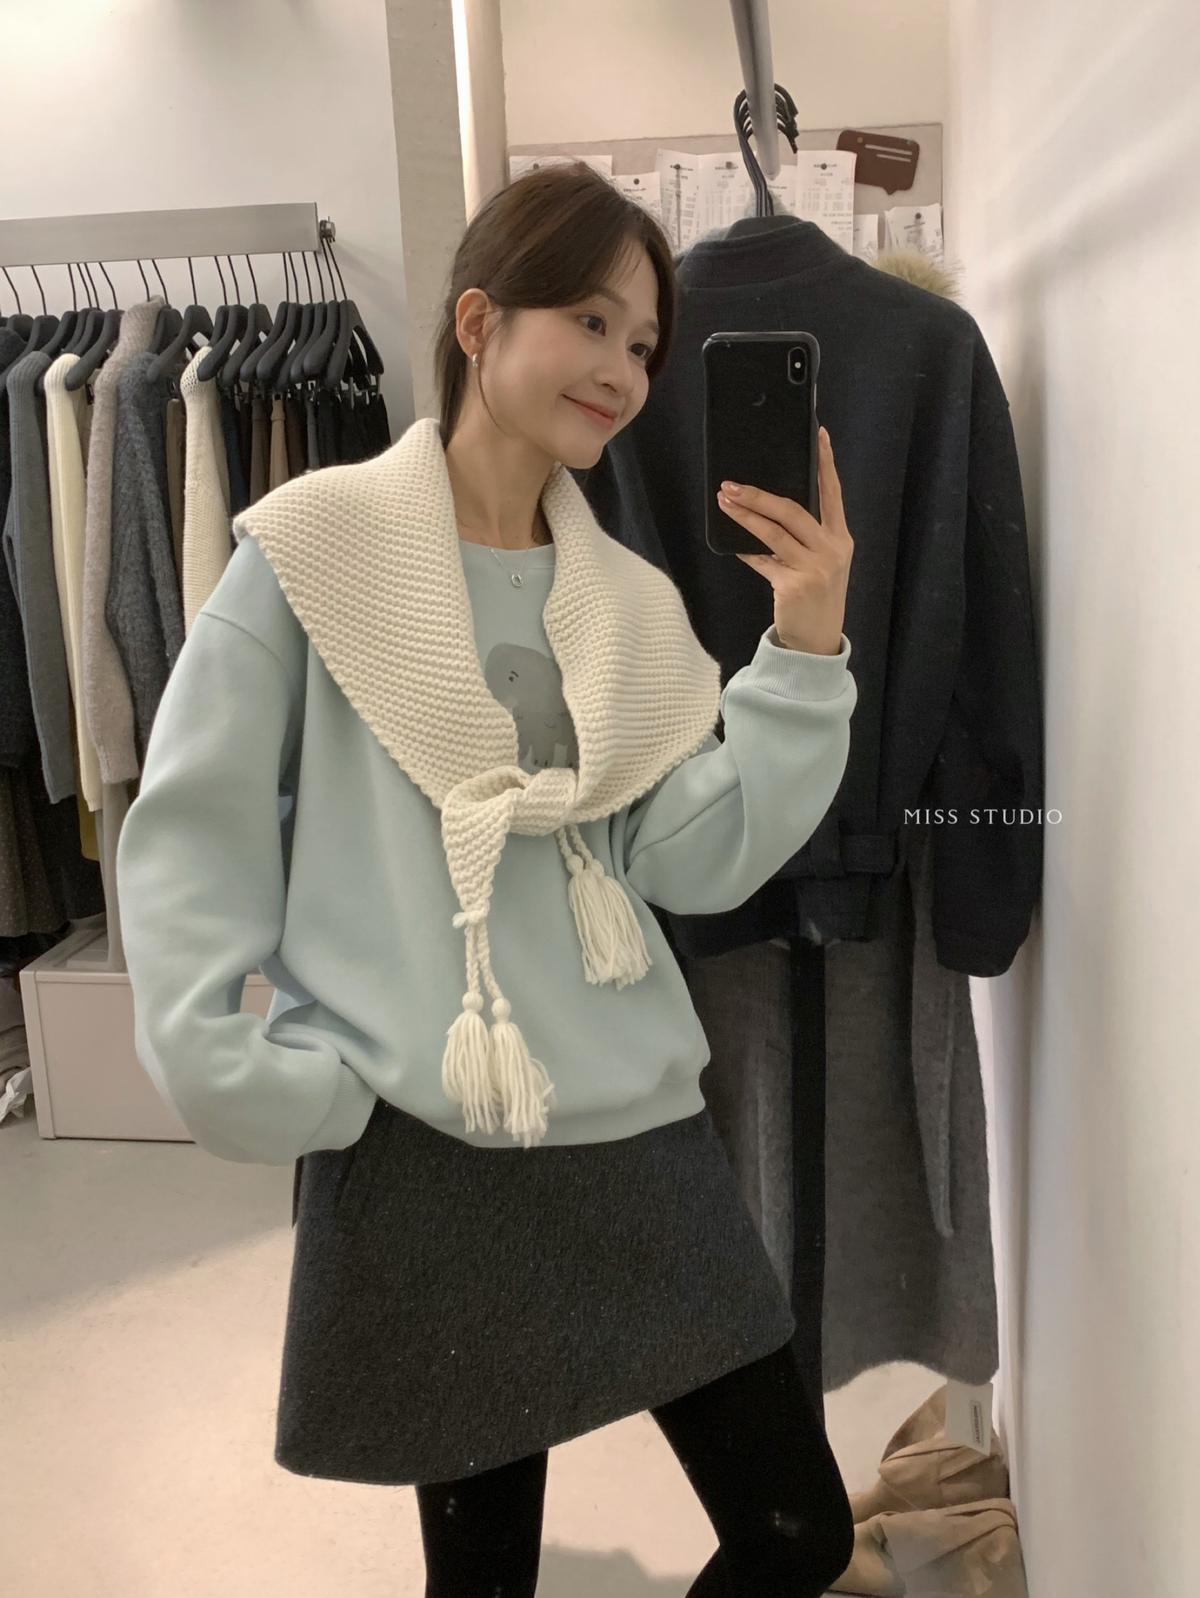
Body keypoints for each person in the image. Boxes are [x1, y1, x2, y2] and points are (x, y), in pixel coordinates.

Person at [116, 162, 858, 1597]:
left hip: (634, 1123)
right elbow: (196, 826)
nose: (623, 371)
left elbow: (684, 856)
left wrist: (806, 646)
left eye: (643, 343)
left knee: (798, 1530)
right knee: (484, 1580)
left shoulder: (628, 601)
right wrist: (247, 1072)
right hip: (426, 1131)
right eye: (590, 321)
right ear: (478, 321)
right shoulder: (313, 552)